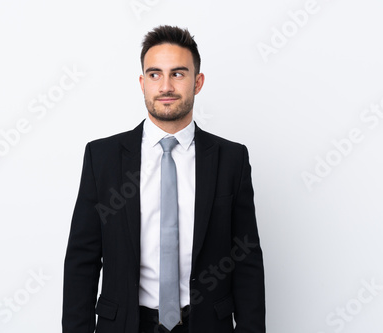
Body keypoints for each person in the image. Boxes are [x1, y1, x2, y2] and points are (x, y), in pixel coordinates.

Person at [63, 25, 265, 333]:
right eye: (155, 74)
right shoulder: (102, 157)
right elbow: (82, 260)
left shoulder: (231, 159)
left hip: (206, 325)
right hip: (126, 325)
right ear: (142, 83)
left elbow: (246, 259)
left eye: (178, 74)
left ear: (197, 82)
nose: (166, 86)